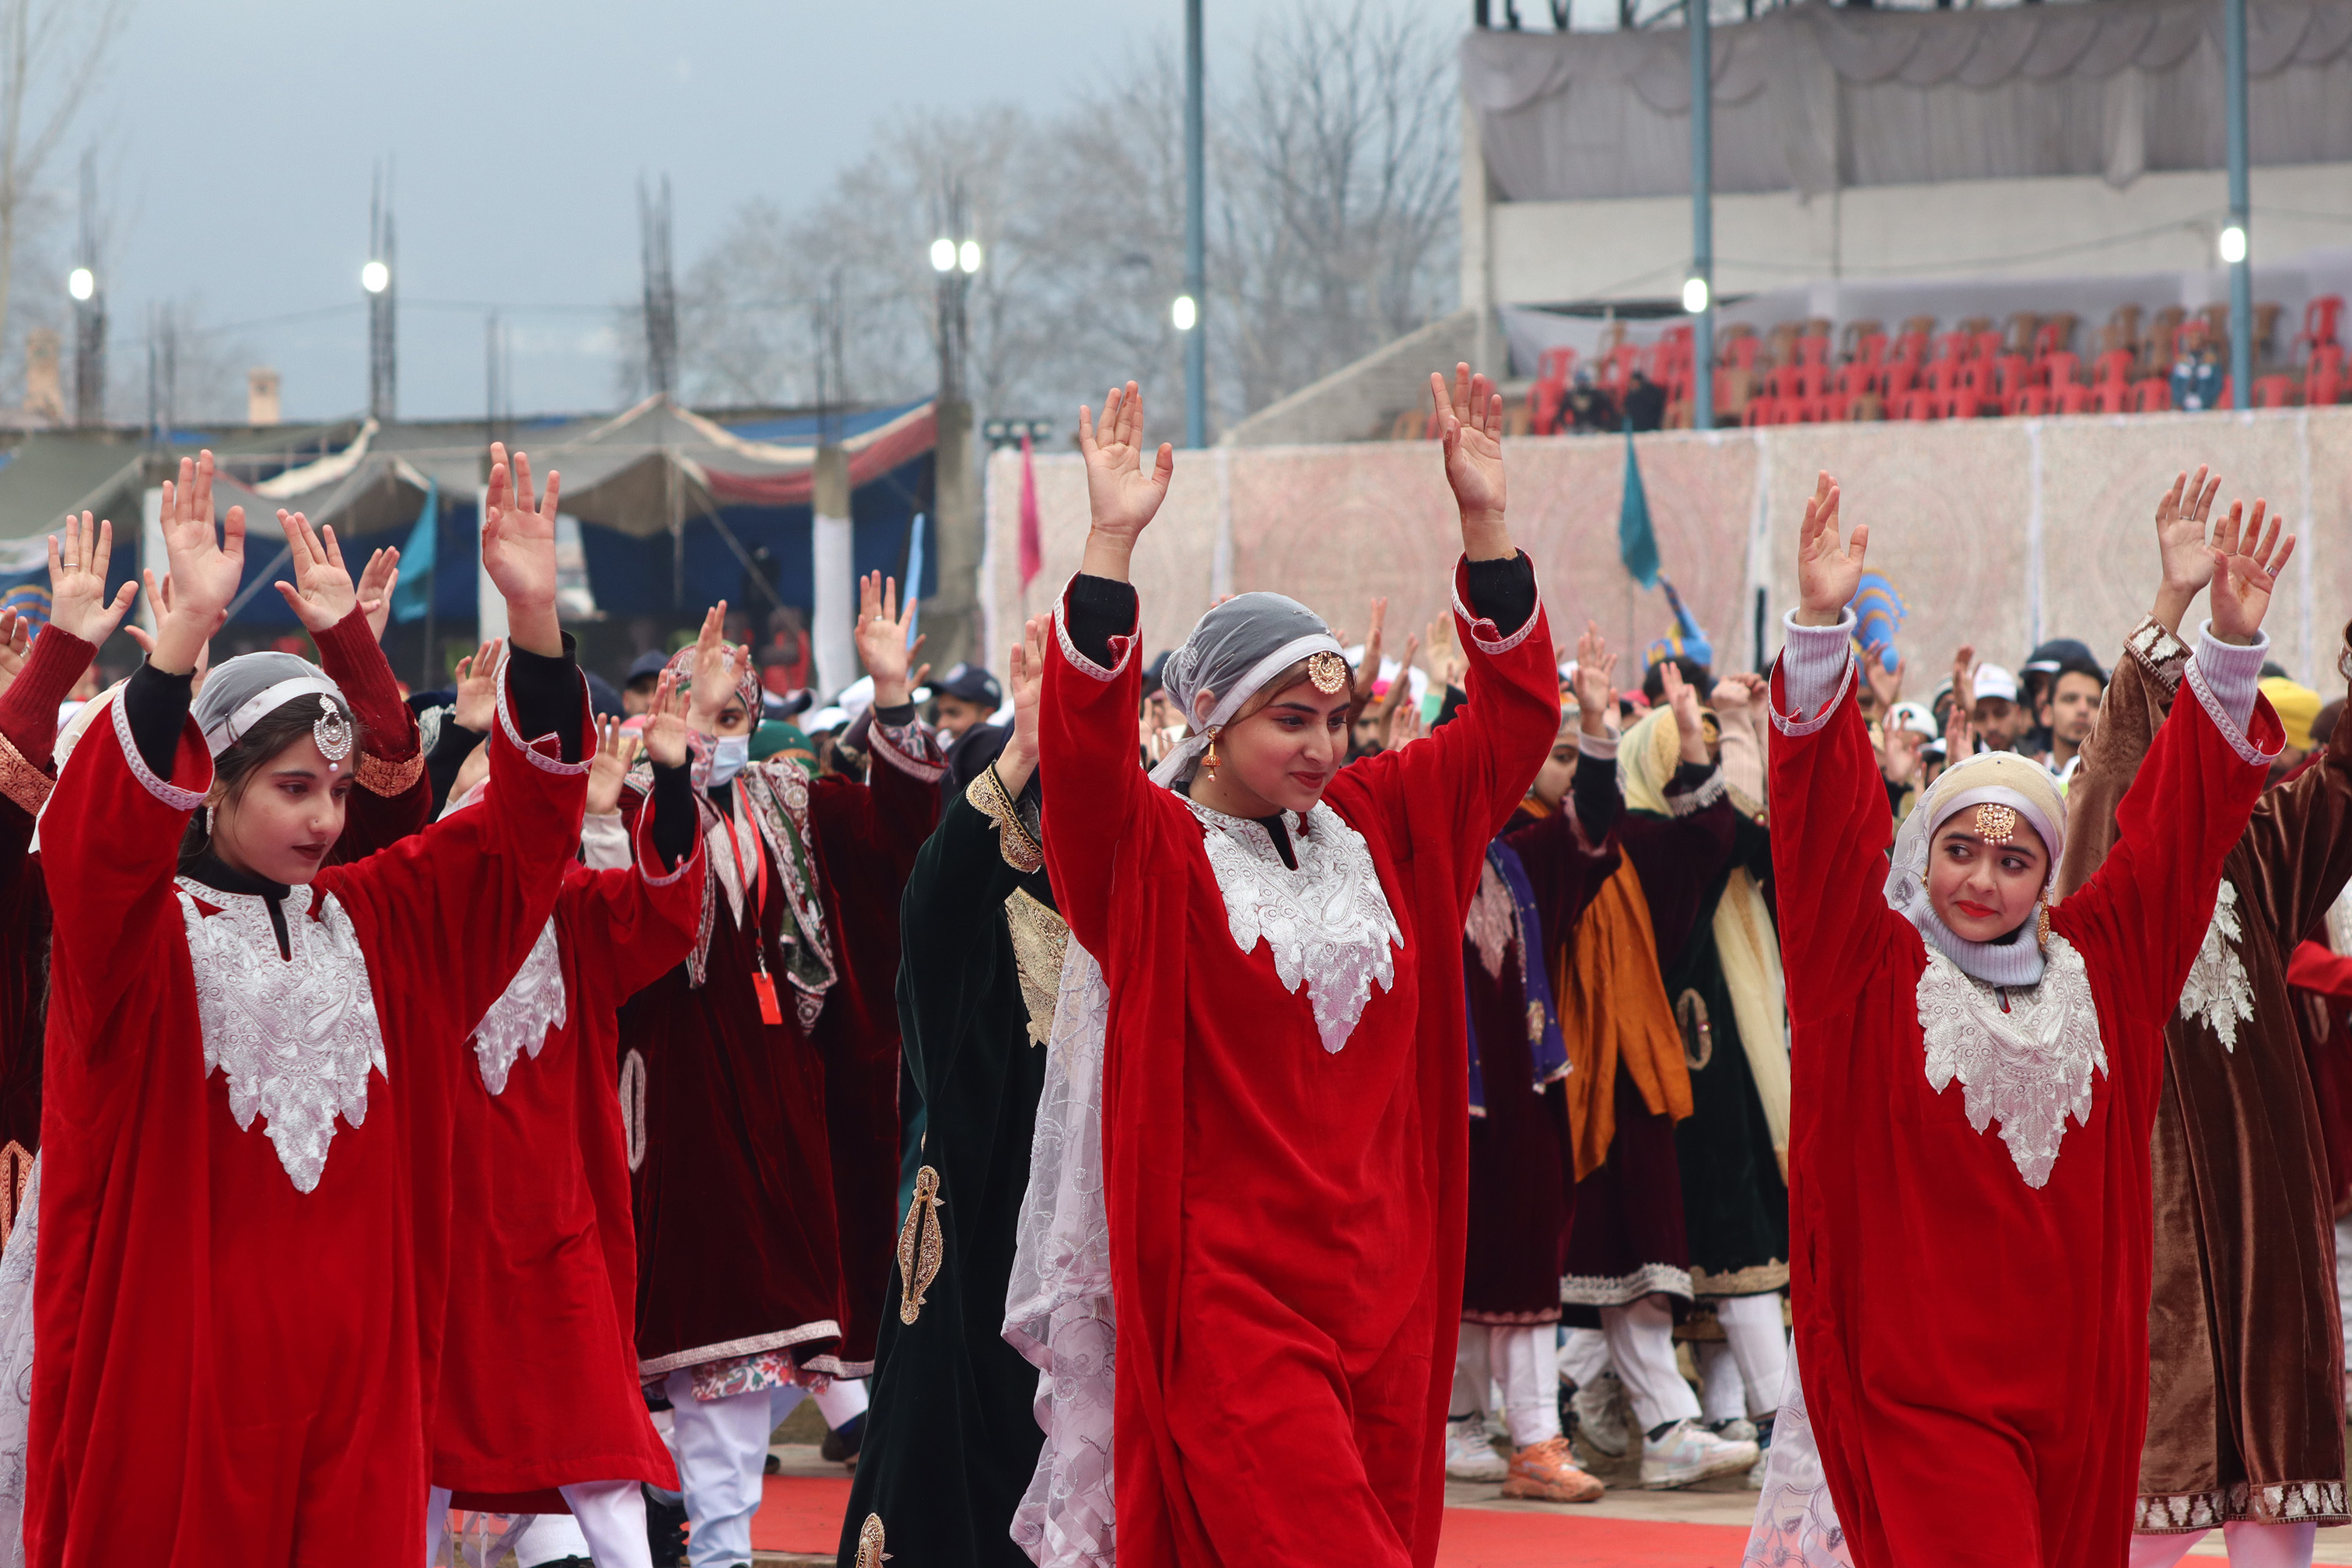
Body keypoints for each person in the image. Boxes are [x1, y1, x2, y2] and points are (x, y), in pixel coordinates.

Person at [29, 446, 590, 1563]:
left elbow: (521, 844)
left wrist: (535, 621)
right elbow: (94, 858)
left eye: (334, 790)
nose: (327, 818)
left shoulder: (380, 922)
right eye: (293, 789)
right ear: (215, 787)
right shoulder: (140, 944)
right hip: (183, 1386)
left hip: (360, 1399)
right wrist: (182, 637)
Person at [1036, 369, 1556, 1566]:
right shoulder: (1153, 857)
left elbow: (1514, 726)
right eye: (1290, 723)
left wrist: (1485, 524)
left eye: (1336, 722)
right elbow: (1081, 760)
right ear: (1213, 723)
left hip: (1389, 1288)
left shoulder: (1387, 827)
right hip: (1231, 1300)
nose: (1324, 747)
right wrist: (1111, 542)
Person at [1746, 469, 2290, 1568]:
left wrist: (2227, 644)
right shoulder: (1869, 974)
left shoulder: (2104, 968)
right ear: (1925, 855)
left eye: (2013, 858)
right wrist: (1816, 627)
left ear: (2048, 874)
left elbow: (2179, 833)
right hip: (1923, 1398)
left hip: (2080, 1403)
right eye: (1958, 850)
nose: (1982, 879)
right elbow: (1818, 832)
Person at [2055, 475, 2352, 1564]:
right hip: (2148, 1196)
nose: (2218, 753)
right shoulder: (2096, 878)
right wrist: (2175, 614)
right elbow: (2114, 776)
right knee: (2147, 1439)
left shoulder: (2265, 849)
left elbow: (2344, 781)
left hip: (2269, 1193)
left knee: (2275, 1447)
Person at [615, 583, 941, 1568]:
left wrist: (891, 700)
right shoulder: (622, 802)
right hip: (673, 1104)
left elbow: (900, 837)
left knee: (770, 1342)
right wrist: (669, 775)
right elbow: (649, 891)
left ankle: (718, 1542)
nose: (715, 735)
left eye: (731, 717)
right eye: (696, 714)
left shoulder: (788, 797)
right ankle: (689, 1540)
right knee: (703, 1341)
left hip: (785, 1102)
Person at [425, 684, 707, 1567]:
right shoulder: (414, 909)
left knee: (594, 1440)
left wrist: (668, 781)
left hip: (557, 1216)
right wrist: (455, 752)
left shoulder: (574, 908)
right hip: (435, 1223)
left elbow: (659, 914)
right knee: (422, 1444)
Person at [839, 617, 1063, 1568]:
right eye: (1030, 804)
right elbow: (938, 897)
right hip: (979, 1250)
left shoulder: (1110, 909)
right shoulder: (962, 926)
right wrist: (1021, 753)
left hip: (1088, 1249)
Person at [1554, 670, 1760, 1491]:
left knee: (1632, 1265)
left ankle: (1643, 1420)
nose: (1578, 771)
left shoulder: (1637, 844)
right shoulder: (1545, 842)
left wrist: (1706, 729)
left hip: (1635, 1073)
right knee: (1553, 1273)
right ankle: (1536, 1418)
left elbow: (1715, 833)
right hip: (1570, 1074)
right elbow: (1712, 831)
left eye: (1587, 754)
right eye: (1566, 754)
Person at [1448, 629, 1622, 1505]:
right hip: (1442, 1104)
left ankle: (1534, 1441)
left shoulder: (1526, 858)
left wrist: (1596, 726)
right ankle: (1451, 1427)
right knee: (1446, 1269)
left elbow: (1595, 821)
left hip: (1523, 1102)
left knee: (1521, 1265)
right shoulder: (1411, 861)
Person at [2039, 656, 2107, 772]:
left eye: (2094, 703)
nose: (2083, 709)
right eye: (2070, 699)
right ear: (2047, 714)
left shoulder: (2118, 783)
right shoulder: (2029, 776)